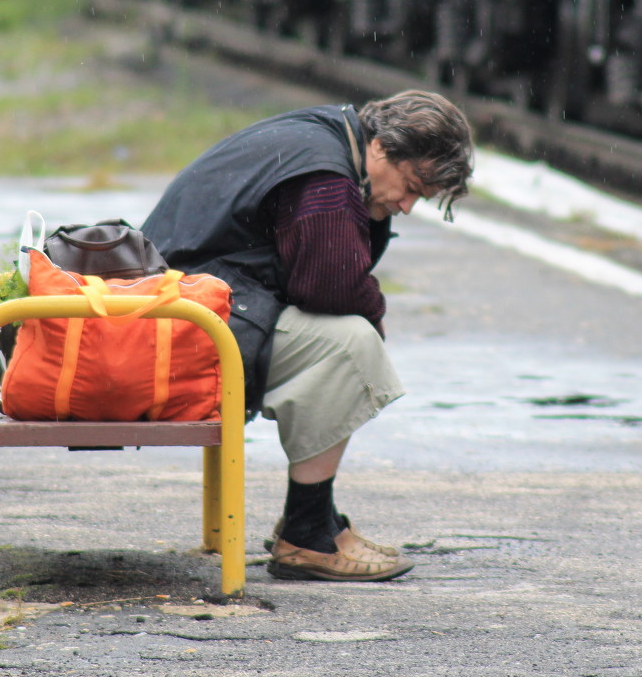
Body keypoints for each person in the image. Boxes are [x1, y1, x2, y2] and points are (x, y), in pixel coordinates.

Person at [141, 90, 473, 581]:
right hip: (175, 333)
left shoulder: (326, 133)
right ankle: (307, 535)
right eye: (409, 187)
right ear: (381, 148)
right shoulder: (327, 181)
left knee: (344, 337)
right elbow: (327, 285)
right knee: (349, 347)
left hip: (174, 308)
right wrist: (374, 313)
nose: (405, 206)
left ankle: (317, 521)